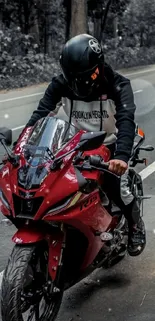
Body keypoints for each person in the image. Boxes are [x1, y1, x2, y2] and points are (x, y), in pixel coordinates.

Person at [13, 33, 146, 256]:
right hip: (77, 143)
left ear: (97, 68)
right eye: (71, 76)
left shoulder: (118, 85)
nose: (75, 83)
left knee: (117, 188)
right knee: (52, 184)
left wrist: (121, 157)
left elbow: (125, 120)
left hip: (111, 143)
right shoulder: (61, 84)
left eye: (82, 76)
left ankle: (136, 226)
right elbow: (40, 116)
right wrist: (20, 148)